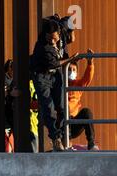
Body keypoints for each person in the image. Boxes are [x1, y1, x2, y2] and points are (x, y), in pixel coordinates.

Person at [31, 19, 79, 152]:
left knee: (62, 106)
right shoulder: (42, 46)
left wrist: (71, 32)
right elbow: (55, 64)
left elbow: (69, 20)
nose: (52, 41)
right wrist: (71, 59)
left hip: (55, 75)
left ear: (59, 33)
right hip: (42, 75)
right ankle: (55, 138)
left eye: (54, 38)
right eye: (49, 38)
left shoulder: (62, 29)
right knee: (49, 108)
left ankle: (65, 136)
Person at [67, 49, 99, 151]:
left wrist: (90, 63)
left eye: (74, 70)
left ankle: (91, 143)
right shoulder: (59, 84)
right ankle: (61, 141)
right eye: (69, 69)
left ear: (76, 72)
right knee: (63, 108)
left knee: (86, 112)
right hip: (61, 122)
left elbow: (87, 77)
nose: (71, 72)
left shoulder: (78, 84)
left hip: (74, 123)